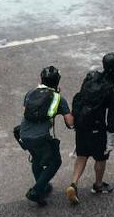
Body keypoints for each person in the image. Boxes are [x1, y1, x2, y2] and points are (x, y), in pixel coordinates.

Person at [65, 53, 114, 205]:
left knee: (82, 155)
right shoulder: (113, 91)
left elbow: (81, 97)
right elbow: (111, 117)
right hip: (97, 128)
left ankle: (73, 184)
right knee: (101, 158)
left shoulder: (90, 77)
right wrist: (110, 139)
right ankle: (98, 185)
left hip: (82, 124)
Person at [17, 65, 74, 206]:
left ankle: (43, 186)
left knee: (36, 159)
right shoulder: (58, 98)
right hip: (41, 136)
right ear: (57, 81)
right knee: (55, 162)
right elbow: (70, 122)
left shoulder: (30, 93)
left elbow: (25, 111)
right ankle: (36, 191)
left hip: (24, 134)